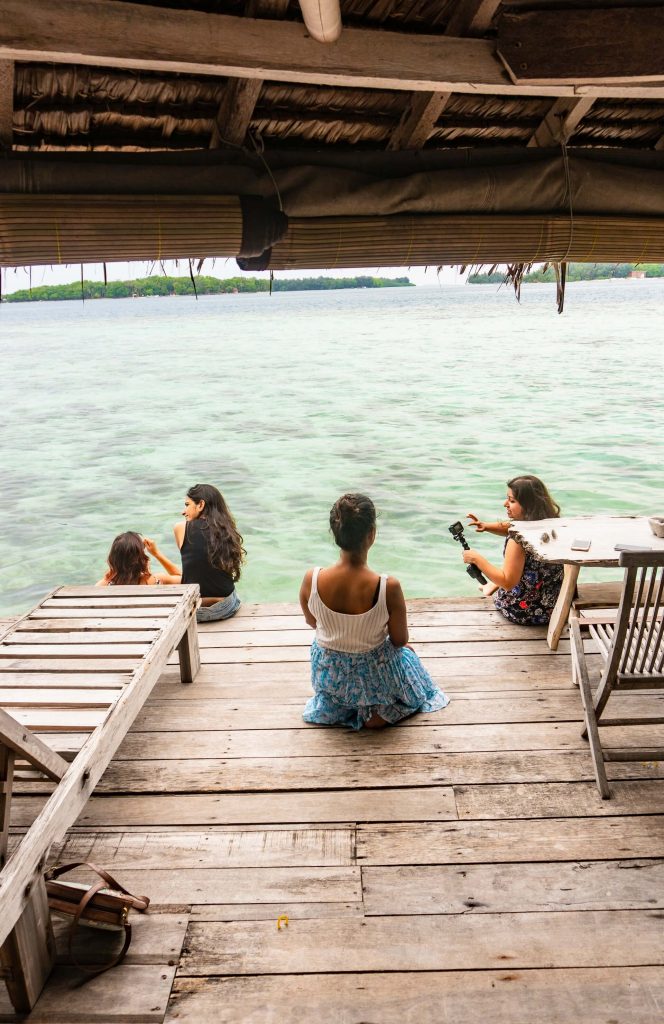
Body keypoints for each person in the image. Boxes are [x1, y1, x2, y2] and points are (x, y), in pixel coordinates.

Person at [299, 493, 449, 730]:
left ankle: (340, 706)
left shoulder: (312, 578)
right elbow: (400, 640)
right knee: (408, 658)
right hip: (372, 674)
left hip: (330, 674)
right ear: (371, 534)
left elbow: (312, 622)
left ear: (335, 533)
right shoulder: (387, 587)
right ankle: (376, 712)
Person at [463, 474, 564, 625]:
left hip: (526, 612)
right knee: (519, 568)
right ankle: (491, 585)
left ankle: (491, 587)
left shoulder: (517, 541)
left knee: (506, 576)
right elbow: (512, 526)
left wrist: (476, 559)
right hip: (555, 605)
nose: (505, 504)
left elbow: (508, 582)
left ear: (528, 506)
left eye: (512, 500)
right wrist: (486, 526)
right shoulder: (550, 524)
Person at [174, 483, 245, 623]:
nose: (183, 511)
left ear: (200, 505)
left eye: (187, 504)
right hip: (226, 607)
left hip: (195, 610)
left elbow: (193, 566)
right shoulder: (228, 531)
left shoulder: (181, 528)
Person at [97, 532, 181, 586]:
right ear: (141, 558)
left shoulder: (103, 585)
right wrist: (157, 553)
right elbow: (182, 579)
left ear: (113, 558)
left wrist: (114, 570)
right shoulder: (155, 580)